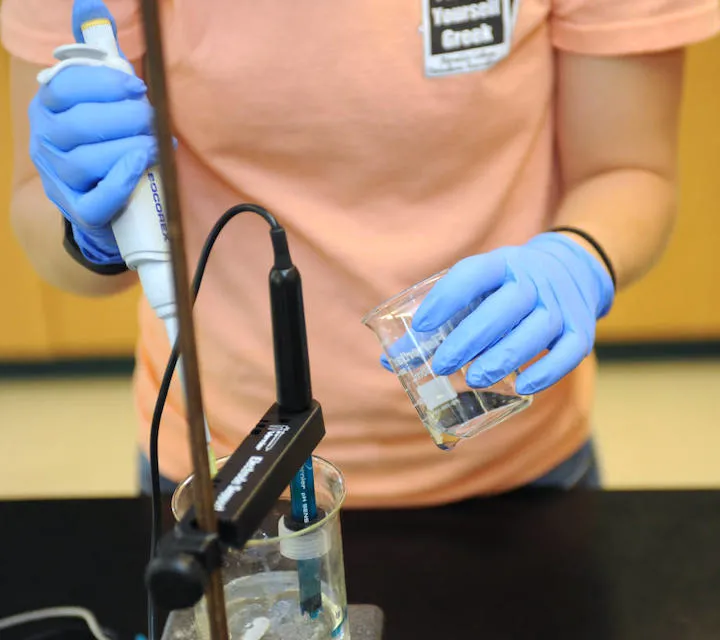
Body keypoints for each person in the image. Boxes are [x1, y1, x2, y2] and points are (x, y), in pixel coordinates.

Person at [2, 0, 718, 506]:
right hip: (226, 464)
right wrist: (89, 232)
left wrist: (579, 257)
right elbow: (43, 213)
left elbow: (628, 171)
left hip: (517, 467)